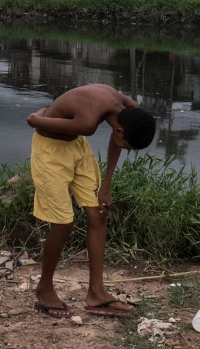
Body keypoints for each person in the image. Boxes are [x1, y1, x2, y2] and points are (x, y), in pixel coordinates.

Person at [26, 84, 156, 318]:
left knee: (99, 212)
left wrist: (105, 186)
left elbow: (118, 140)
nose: (124, 149)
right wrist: (38, 115)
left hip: (76, 147)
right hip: (49, 153)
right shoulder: (87, 124)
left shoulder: (129, 109)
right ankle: (44, 289)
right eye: (127, 147)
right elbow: (33, 122)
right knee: (63, 224)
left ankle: (97, 292)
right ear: (118, 132)